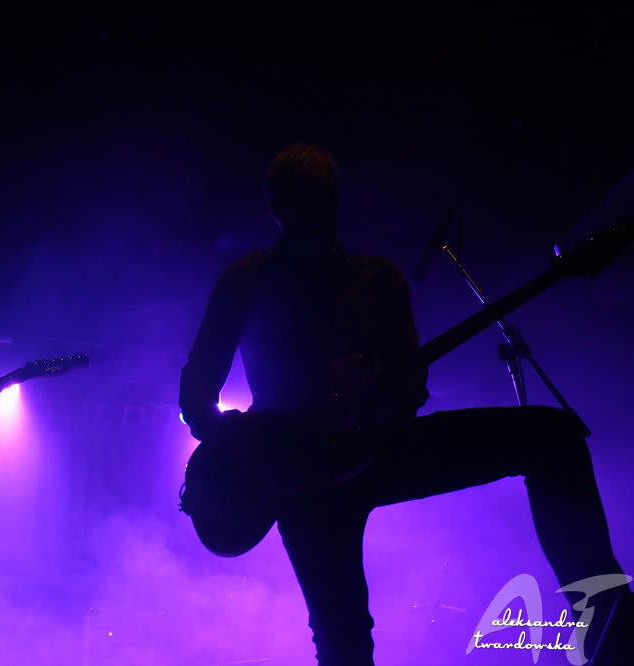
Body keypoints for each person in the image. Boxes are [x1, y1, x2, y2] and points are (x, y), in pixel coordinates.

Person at [178, 144, 631, 665]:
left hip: (374, 449)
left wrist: (376, 404)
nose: (307, 214)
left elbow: (412, 386)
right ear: (279, 207)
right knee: (343, 641)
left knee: (552, 436)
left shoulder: (374, 280)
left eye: (314, 200)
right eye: (297, 200)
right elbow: (196, 401)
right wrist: (259, 451)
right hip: (303, 485)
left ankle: (609, 622)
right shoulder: (249, 280)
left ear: (326, 203)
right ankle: (610, 622)